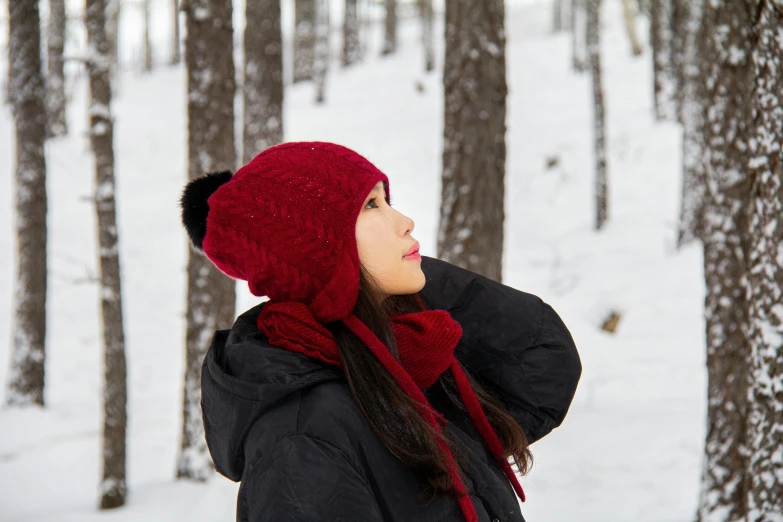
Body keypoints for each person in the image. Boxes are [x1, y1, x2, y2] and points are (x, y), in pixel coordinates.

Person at [179, 141, 581, 522]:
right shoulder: (303, 439)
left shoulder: (406, 359)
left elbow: (543, 368)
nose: (404, 221)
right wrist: (365, 275)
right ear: (317, 252)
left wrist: (389, 279)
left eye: (387, 200)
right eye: (371, 205)